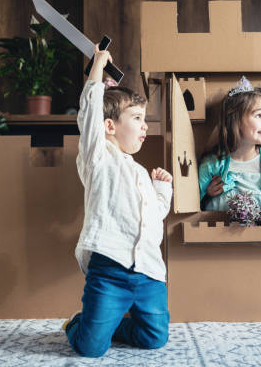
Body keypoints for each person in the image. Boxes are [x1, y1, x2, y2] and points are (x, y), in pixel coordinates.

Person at [63, 45, 172, 357]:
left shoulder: (140, 173)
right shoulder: (99, 158)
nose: (144, 126)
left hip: (149, 272)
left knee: (154, 338)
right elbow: (89, 114)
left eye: (145, 119)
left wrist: (162, 189)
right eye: (136, 118)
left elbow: (154, 217)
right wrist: (98, 65)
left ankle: (113, 327)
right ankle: (80, 325)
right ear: (109, 127)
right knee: (90, 348)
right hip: (110, 268)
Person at [199, 76, 261, 211]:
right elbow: (193, 202)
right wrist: (207, 195)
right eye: (259, 115)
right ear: (236, 120)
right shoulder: (212, 162)